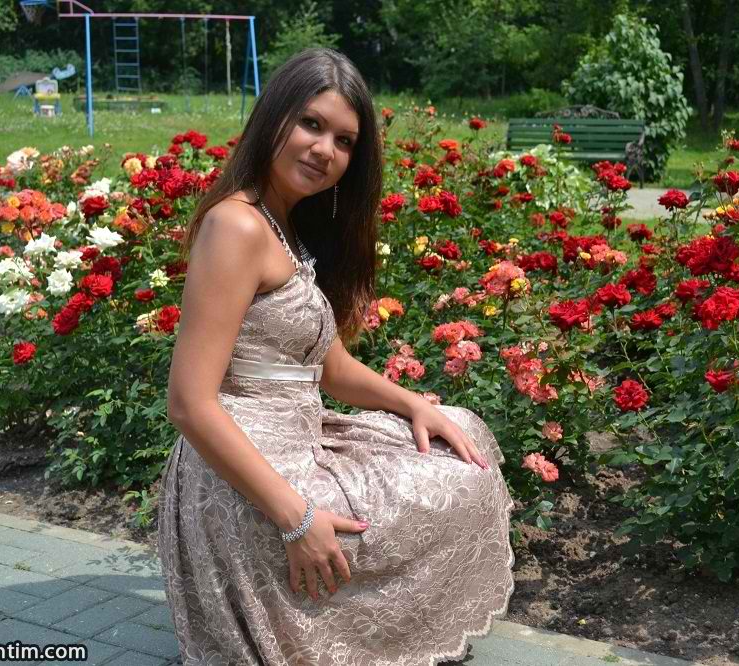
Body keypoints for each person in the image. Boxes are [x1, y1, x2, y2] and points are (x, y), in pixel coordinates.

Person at [156, 48, 515, 666]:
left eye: (344, 141)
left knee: (457, 441)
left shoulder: (284, 227)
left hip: (302, 436)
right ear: (273, 117)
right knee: (422, 494)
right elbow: (189, 404)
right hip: (247, 470)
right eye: (311, 124)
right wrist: (297, 519)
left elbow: (332, 368)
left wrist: (414, 404)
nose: (325, 150)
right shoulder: (237, 226)